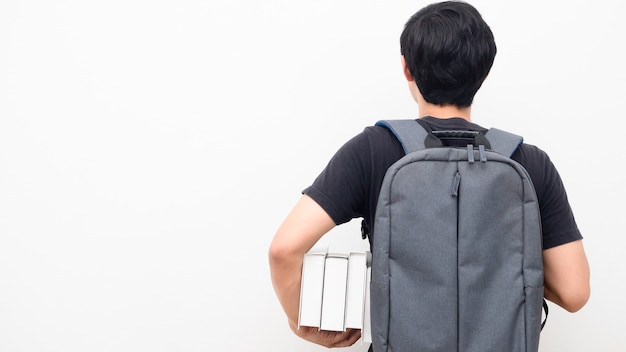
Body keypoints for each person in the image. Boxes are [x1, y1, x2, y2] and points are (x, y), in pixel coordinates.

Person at [268, 1, 590, 349]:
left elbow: (284, 250)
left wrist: (302, 321)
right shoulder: (528, 162)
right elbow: (574, 292)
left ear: (407, 69)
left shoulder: (373, 150)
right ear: (484, 72)